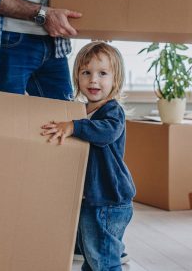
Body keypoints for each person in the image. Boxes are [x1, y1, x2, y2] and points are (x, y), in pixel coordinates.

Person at [41, 42, 135, 270]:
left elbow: (106, 132)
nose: (93, 80)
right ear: (77, 78)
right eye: (86, 73)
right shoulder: (81, 111)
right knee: (91, 257)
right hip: (92, 198)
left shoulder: (112, 111)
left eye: (102, 74)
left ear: (116, 80)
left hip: (108, 200)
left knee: (103, 260)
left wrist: (74, 126)